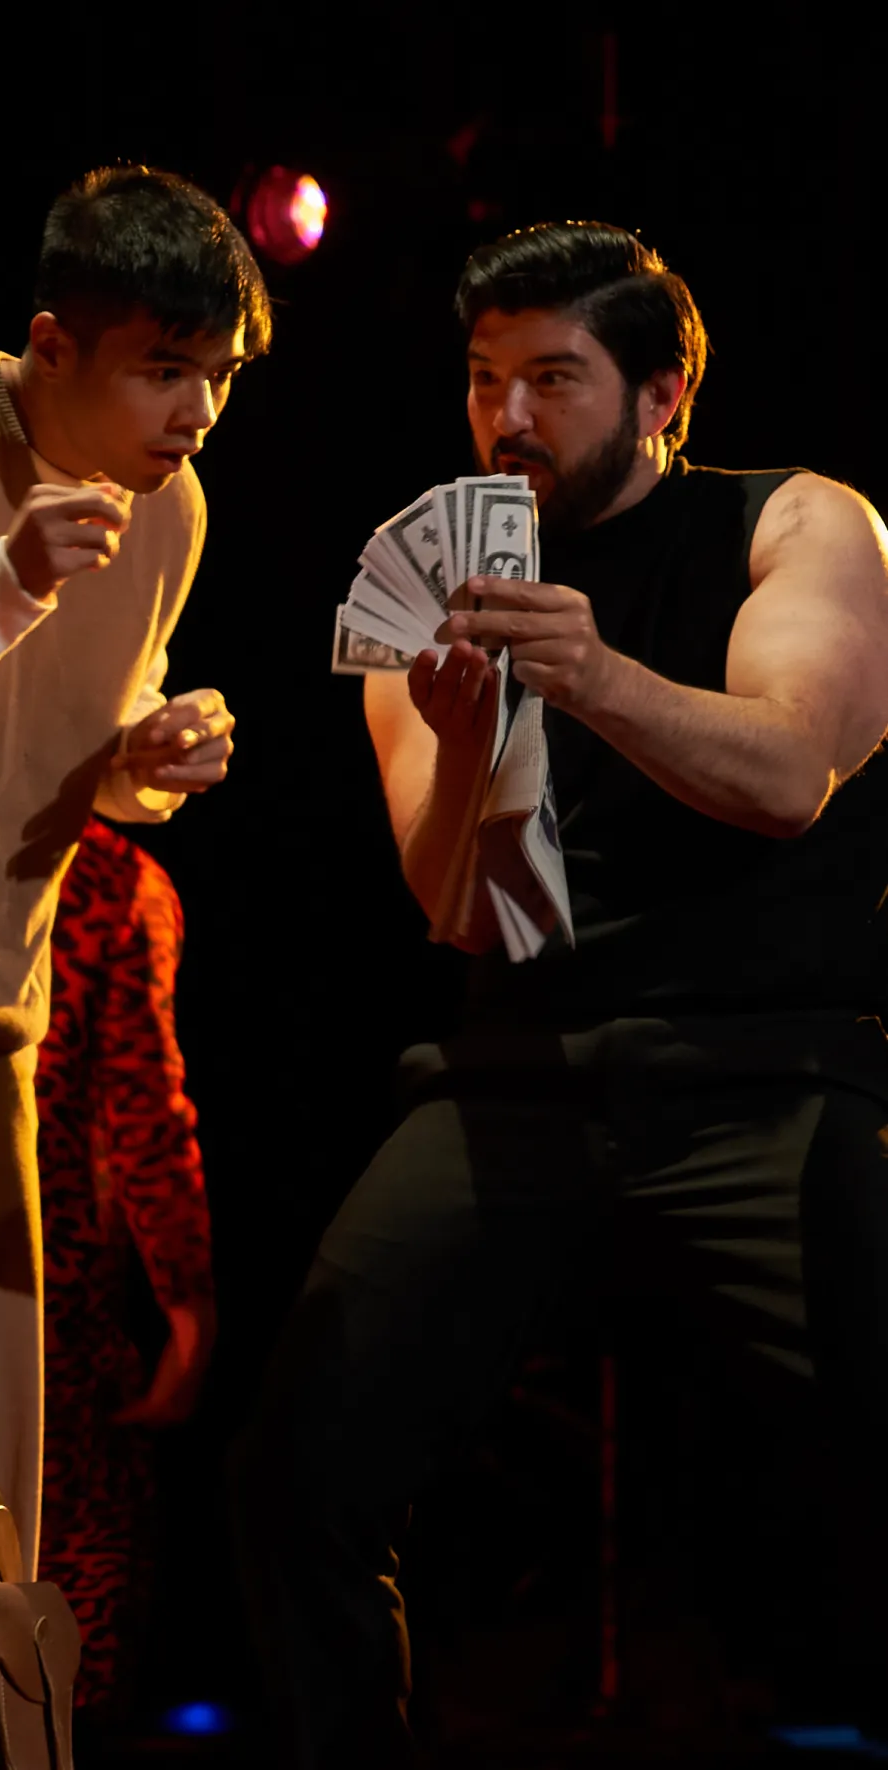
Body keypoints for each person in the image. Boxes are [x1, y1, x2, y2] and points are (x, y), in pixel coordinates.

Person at [232, 222, 888, 1767]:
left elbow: (787, 769)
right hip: (516, 1070)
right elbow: (451, 903)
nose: (506, 420)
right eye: (482, 382)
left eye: (552, 379)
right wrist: (463, 737)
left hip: (763, 1063)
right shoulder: (426, 576)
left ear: (660, 394)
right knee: (291, 1473)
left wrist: (592, 675)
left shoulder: (791, 523)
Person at [0, 164, 270, 1576]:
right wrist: (3, 580)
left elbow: (67, 743)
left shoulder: (175, 510)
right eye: (163, 370)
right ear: (50, 346)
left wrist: (152, 753)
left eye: (214, 376)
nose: (195, 413)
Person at [35, 814, 214, 1720]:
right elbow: (144, 1111)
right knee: (71, 1558)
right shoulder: (103, 876)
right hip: (39, 1281)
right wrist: (187, 1301)